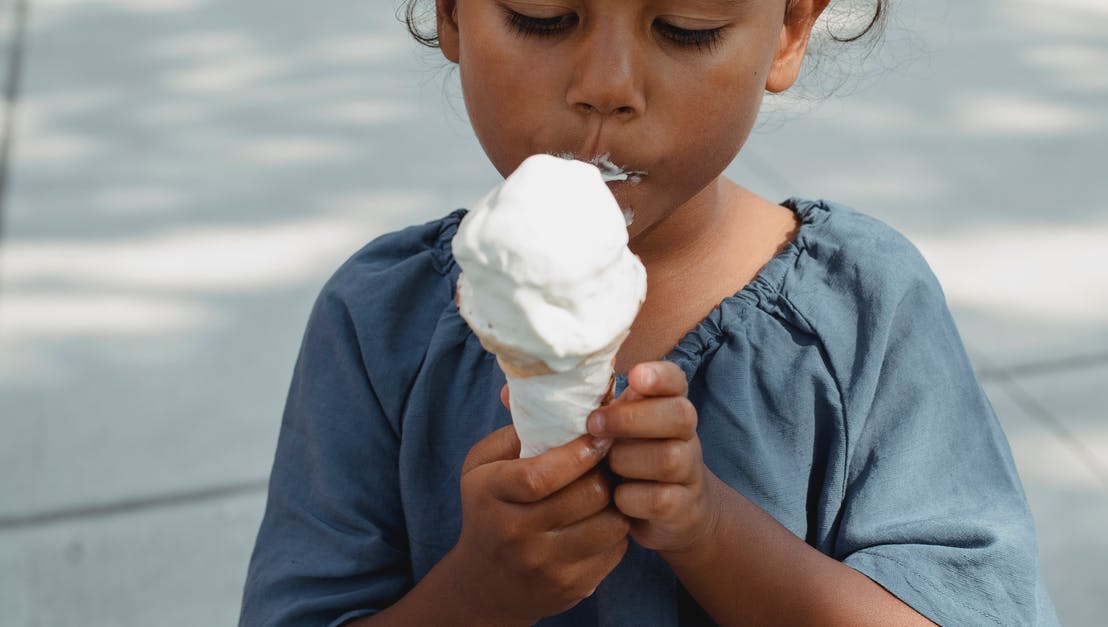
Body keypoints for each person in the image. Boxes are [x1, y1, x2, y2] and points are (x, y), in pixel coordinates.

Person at [240, 0, 1060, 624]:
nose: (606, 87)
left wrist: (710, 530)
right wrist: (481, 588)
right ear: (453, 12)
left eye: (686, 26)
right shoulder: (378, 325)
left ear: (789, 30)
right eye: (543, 16)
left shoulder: (862, 308)